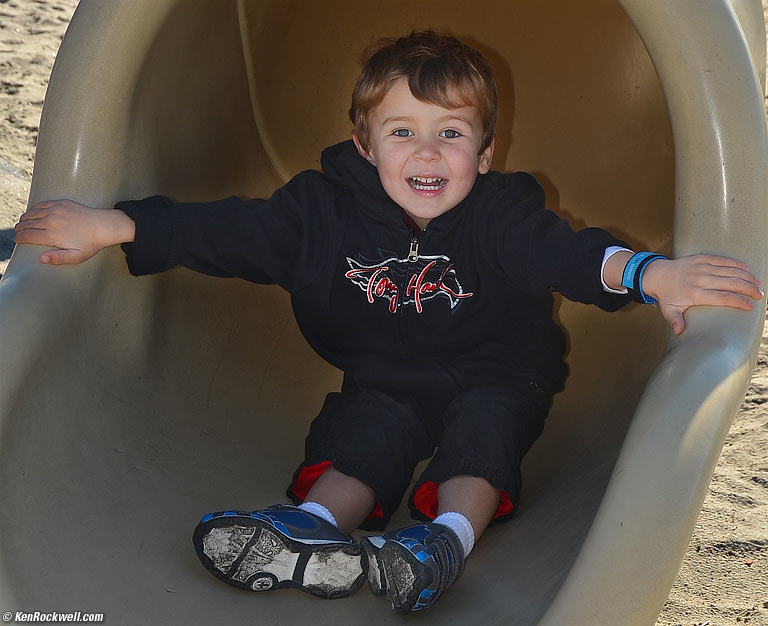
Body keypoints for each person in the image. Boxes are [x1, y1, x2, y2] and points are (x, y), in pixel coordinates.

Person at [13, 31, 762, 615]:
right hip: (384, 372)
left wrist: (648, 273)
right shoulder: (320, 213)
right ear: (365, 145)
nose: (427, 152)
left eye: (451, 134)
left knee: (484, 436)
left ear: (486, 152)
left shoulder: (502, 214)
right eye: (401, 132)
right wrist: (112, 225)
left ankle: (442, 544)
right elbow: (228, 231)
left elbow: (568, 255)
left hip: (501, 365)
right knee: (363, 435)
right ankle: (311, 527)